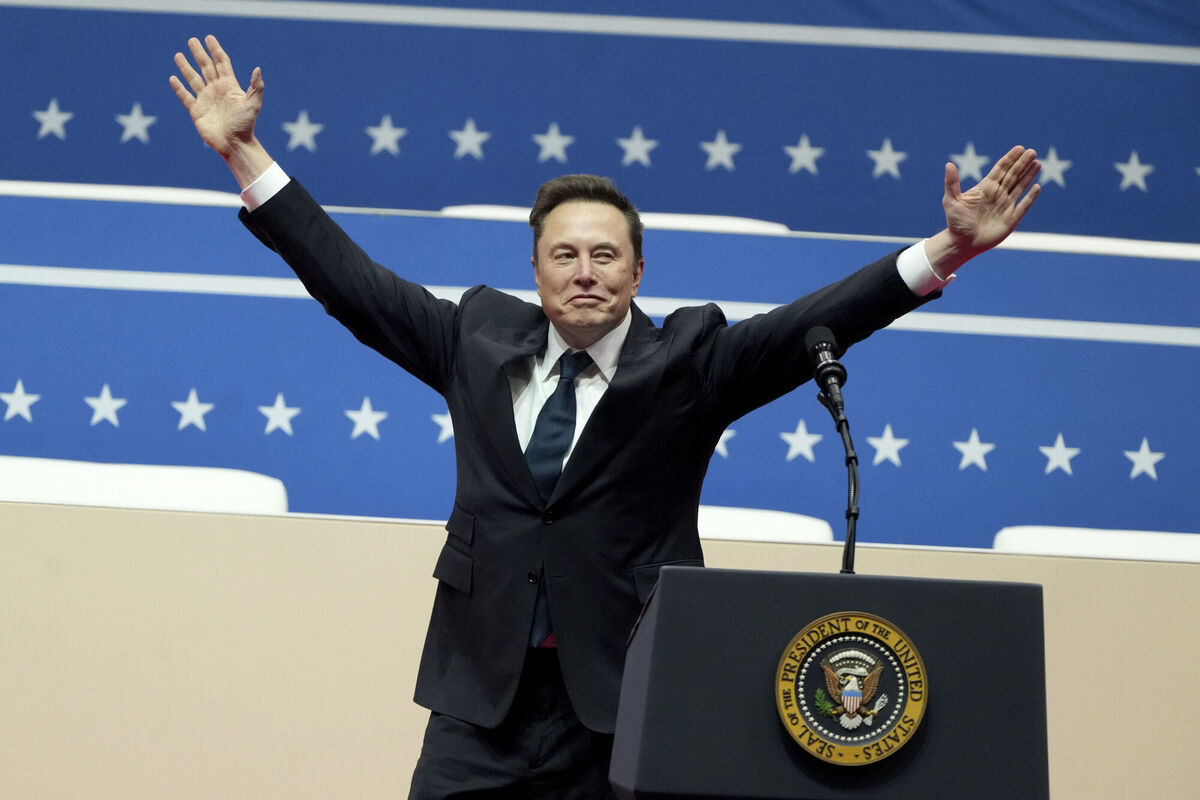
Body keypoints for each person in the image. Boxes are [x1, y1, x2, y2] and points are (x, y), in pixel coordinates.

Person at [170, 34, 1040, 799]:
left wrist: (948, 250)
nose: (584, 271)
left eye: (604, 255)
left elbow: (817, 317)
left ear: (637, 273)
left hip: (623, 703)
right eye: (564, 254)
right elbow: (349, 283)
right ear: (538, 271)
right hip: (480, 704)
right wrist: (247, 156)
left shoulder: (690, 364)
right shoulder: (472, 338)